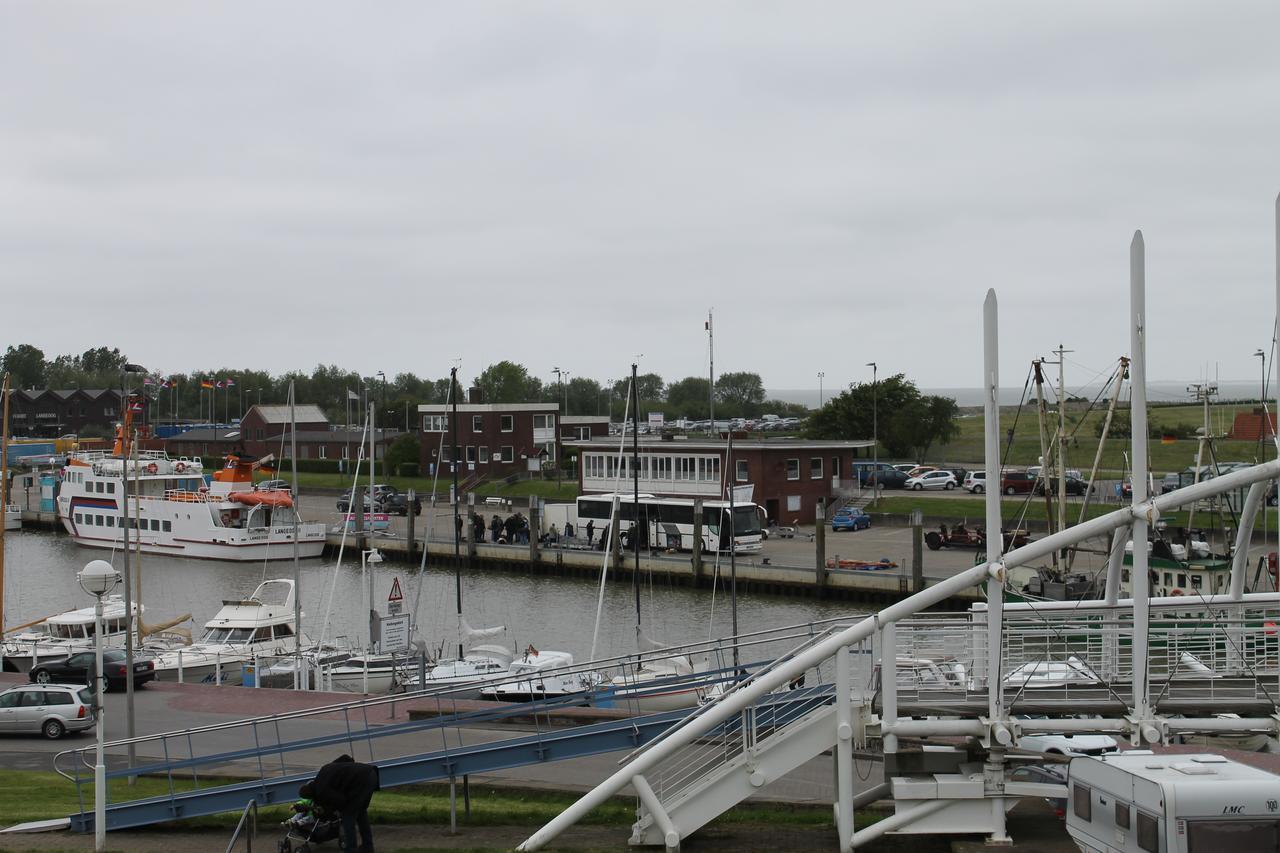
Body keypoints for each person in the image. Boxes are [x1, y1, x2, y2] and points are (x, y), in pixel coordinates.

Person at [305, 754, 380, 852]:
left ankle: (351, 849)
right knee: (361, 814)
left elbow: (340, 800)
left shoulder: (321, 790)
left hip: (360, 781)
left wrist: (334, 811)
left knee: (348, 817)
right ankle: (368, 847)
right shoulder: (323, 772)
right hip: (371, 773)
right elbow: (344, 758)